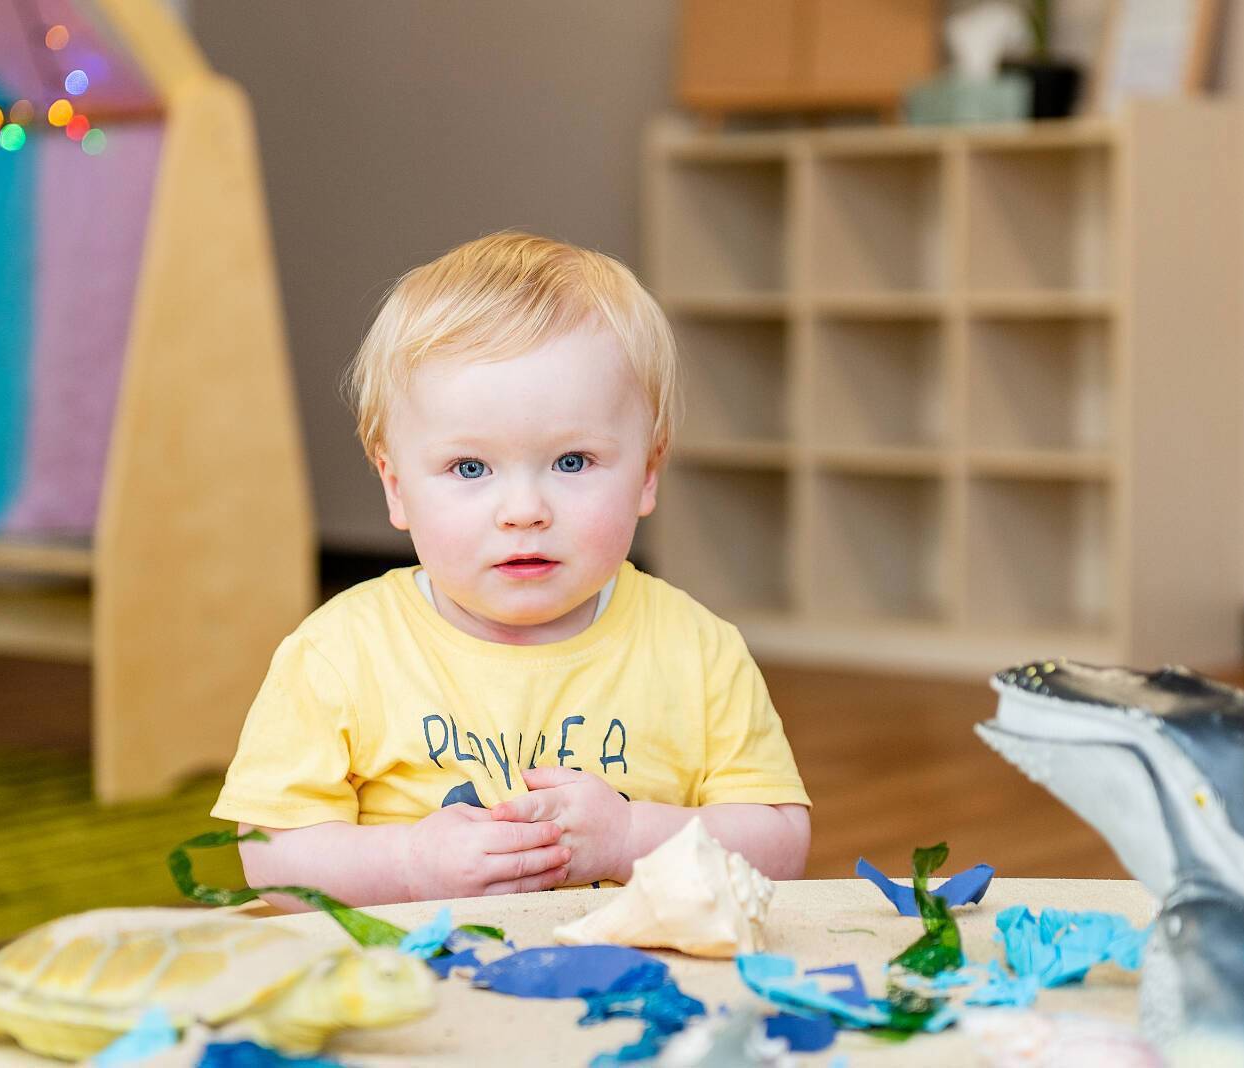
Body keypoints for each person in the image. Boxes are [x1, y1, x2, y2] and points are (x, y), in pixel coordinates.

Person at [212, 231, 811, 906]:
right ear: (396, 487)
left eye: (572, 462)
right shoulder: (338, 654)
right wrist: (411, 863)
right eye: (470, 468)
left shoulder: (698, 651)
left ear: (647, 474)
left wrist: (631, 837)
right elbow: (271, 859)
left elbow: (780, 846)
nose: (524, 511)